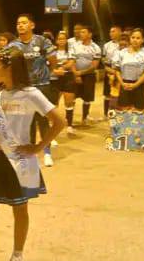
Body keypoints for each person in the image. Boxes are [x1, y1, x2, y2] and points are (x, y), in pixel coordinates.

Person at [0, 47, 65, 261]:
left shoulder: (31, 94)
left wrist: (39, 146)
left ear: (10, 68)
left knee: (20, 209)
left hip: (20, 159)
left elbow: (59, 121)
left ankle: (17, 257)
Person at [8, 14, 58, 167]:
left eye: (24, 23)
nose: (20, 25)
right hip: (22, 88)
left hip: (42, 85)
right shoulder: (13, 45)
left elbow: (53, 60)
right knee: (26, 121)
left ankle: (47, 152)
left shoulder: (42, 41)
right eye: (18, 23)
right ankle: (30, 153)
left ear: (32, 25)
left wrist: (48, 72)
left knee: (43, 120)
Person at [68, 25, 101, 126]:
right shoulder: (75, 46)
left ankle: (84, 118)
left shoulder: (96, 48)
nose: (80, 34)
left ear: (90, 34)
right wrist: (76, 74)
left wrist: (81, 73)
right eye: (80, 32)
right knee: (72, 97)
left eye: (83, 32)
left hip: (89, 76)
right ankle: (69, 120)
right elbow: (72, 60)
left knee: (87, 98)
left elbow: (94, 65)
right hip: (75, 74)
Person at [114, 28, 144, 111]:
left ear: (143, 40)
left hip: (139, 85)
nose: (135, 40)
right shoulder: (122, 52)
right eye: (133, 37)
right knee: (125, 112)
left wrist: (136, 84)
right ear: (130, 38)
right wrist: (122, 83)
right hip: (124, 85)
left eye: (138, 38)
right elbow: (117, 70)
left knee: (137, 112)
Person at [52, 31, 75, 131]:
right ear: (56, 41)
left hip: (68, 77)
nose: (61, 41)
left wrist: (62, 66)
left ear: (66, 40)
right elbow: (50, 63)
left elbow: (71, 63)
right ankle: (55, 123)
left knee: (69, 101)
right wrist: (59, 66)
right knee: (54, 102)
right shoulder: (52, 51)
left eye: (63, 39)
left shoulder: (71, 50)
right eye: (59, 39)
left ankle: (69, 125)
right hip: (55, 78)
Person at [101, 26, 122, 117]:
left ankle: (119, 113)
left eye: (113, 31)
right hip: (109, 69)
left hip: (121, 69)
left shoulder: (123, 44)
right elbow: (103, 58)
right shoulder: (106, 45)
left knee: (119, 92)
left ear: (119, 32)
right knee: (107, 93)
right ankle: (106, 114)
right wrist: (108, 68)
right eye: (110, 32)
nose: (111, 33)